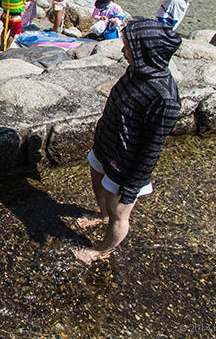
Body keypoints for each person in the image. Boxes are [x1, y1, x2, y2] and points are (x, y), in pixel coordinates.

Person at [73, 19, 182, 265]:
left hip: (126, 163)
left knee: (119, 214)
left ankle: (101, 250)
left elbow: (152, 148)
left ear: (147, 52)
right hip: (106, 145)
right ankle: (101, 217)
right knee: (98, 185)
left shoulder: (165, 98)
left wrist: (132, 185)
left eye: (129, 48)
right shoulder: (137, 70)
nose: (123, 52)